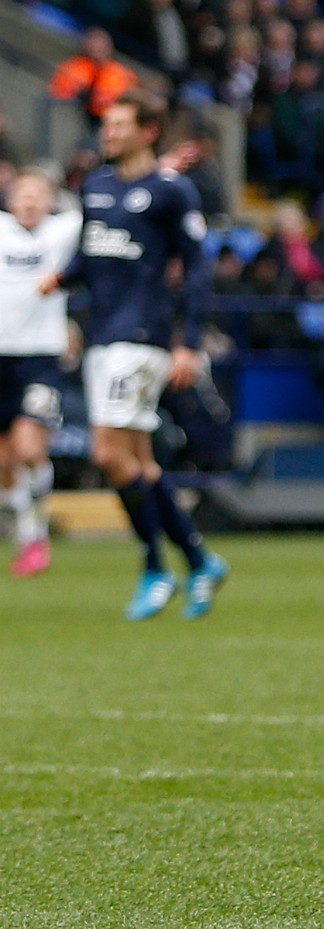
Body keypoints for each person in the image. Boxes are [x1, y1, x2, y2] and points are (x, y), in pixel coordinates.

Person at [38, 90, 229, 621]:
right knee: (138, 462)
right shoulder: (95, 185)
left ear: (149, 131)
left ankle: (156, 565)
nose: (109, 133)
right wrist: (62, 278)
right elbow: (90, 250)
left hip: (141, 337)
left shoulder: (172, 191)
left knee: (108, 454)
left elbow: (196, 270)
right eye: (107, 124)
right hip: (102, 335)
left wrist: (188, 341)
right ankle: (197, 559)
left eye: (120, 124)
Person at [0, 168, 81, 576]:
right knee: (4, 460)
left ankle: (37, 529)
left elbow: (95, 214)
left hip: (41, 357)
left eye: (38, 195)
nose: (30, 201)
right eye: (22, 194)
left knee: (30, 447)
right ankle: (28, 535)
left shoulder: (61, 233)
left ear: (51, 201)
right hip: (1, 355)